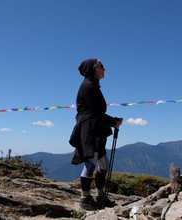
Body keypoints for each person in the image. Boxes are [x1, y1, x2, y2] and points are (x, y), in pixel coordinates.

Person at [69, 58, 123, 210]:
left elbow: (97, 113)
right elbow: (96, 112)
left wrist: (112, 121)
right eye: (101, 66)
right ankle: (85, 199)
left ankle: (99, 196)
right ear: (94, 69)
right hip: (89, 128)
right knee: (91, 161)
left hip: (93, 127)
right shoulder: (89, 87)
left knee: (102, 162)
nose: (104, 69)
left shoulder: (92, 85)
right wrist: (113, 121)